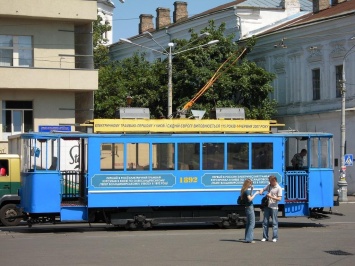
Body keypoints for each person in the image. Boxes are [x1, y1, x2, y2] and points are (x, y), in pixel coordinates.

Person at [259, 175, 282, 243]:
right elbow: (263, 189)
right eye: (269, 181)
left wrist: (271, 196)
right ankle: (265, 237)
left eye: (271, 181)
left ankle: (275, 237)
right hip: (267, 206)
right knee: (265, 222)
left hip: (274, 207)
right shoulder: (269, 185)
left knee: (274, 223)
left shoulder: (278, 188)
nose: (270, 183)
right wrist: (261, 191)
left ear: (274, 181)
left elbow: (279, 199)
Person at [240, 178, 259, 243]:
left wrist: (252, 189)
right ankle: (249, 239)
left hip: (247, 207)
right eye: (251, 184)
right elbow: (250, 199)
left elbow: (249, 196)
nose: (251, 185)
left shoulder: (244, 190)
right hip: (250, 207)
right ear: (248, 184)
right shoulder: (246, 191)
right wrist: (256, 193)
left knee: (248, 223)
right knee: (252, 223)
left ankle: (247, 238)